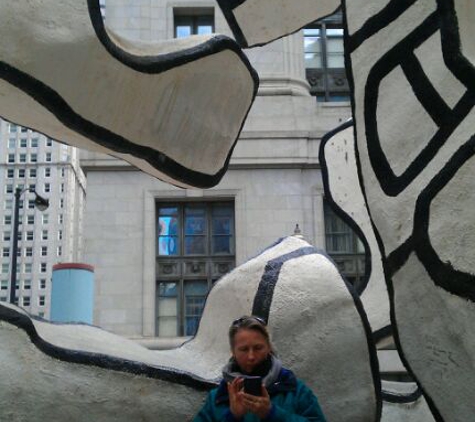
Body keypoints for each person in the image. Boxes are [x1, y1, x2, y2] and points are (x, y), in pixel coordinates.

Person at [193, 315, 326, 421]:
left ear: (268, 347)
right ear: (233, 352)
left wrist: (272, 413)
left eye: (258, 348)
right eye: (244, 349)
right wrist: (232, 417)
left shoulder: (294, 390)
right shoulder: (218, 396)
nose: (251, 356)